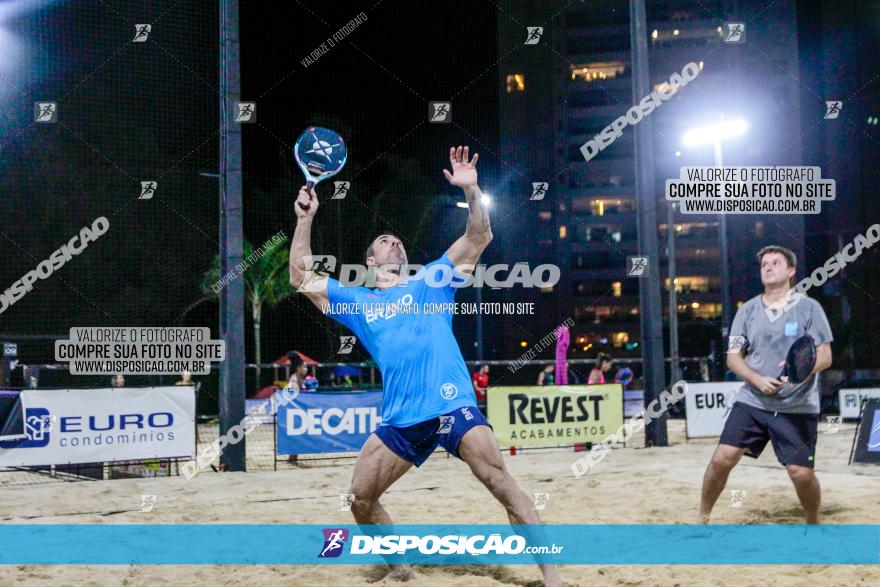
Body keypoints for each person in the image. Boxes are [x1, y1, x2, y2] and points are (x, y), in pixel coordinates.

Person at [289, 146, 560, 586]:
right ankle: (400, 569)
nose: (394, 243)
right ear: (371, 263)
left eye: (397, 241)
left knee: (500, 482)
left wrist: (471, 189)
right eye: (383, 242)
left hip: (451, 404)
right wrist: (305, 218)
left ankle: (551, 578)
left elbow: (478, 238)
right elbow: (301, 278)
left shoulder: (430, 281)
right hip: (401, 418)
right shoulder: (358, 302)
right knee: (360, 499)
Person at [699, 245, 833, 524]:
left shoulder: (809, 308)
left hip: (796, 405)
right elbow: (734, 358)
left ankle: (813, 521)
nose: (768, 267)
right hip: (753, 401)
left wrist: (802, 370)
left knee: (801, 473)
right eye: (764, 265)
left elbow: (825, 355)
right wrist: (757, 379)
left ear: (791, 271)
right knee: (722, 459)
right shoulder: (746, 311)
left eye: (775, 263)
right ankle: (702, 517)